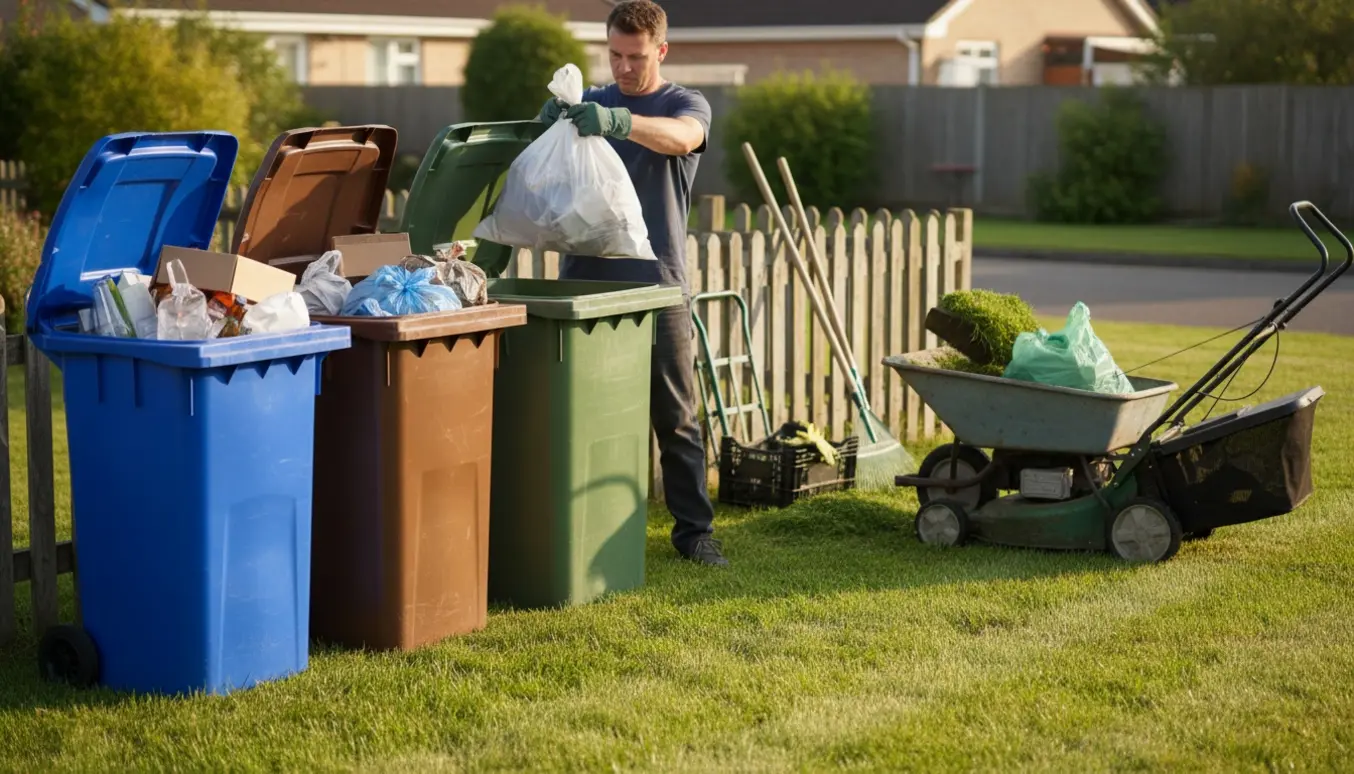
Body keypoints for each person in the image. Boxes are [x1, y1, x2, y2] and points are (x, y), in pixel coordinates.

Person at [536, 0, 726, 568]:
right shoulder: (589, 101)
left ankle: (695, 533)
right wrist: (548, 121)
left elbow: (684, 138)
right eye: (614, 55)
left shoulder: (683, 102)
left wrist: (622, 123)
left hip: (657, 284)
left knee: (676, 416)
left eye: (635, 57)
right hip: (584, 285)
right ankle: (582, 525)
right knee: (581, 412)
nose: (622, 68)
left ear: (660, 51)